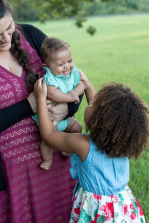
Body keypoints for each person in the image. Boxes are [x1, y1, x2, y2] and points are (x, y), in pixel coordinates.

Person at [0, 0, 82, 221]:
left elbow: (72, 76)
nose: (5, 39)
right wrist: (29, 106)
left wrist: (68, 107)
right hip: (13, 172)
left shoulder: (30, 35)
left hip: (57, 152)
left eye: (8, 28)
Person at [34, 71, 148, 222]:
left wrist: (41, 98)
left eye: (93, 105)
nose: (90, 102)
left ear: (99, 122)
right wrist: (87, 85)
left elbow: (48, 135)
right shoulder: (121, 142)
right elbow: (103, 113)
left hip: (97, 210)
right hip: (123, 208)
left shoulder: (83, 145)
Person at [32, 37, 84, 170]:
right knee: (48, 141)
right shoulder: (50, 77)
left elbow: (82, 84)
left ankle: (67, 150)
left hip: (65, 118)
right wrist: (70, 98)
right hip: (50, 121)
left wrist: (75, 92)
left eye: (70, 61)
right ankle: (48, 159)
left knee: (77, 128)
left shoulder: (72, 73)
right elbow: (52, 94)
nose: (67, 66)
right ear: (47, 66)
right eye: (61, 64)